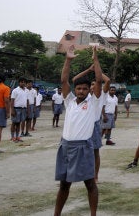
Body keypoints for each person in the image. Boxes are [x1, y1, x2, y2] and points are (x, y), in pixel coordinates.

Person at [54, 45, 103, 216]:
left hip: (83, 147)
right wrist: (67, 60)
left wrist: (95, 57)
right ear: (75, 90)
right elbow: (64, 80)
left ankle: (93, 214)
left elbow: (99, 79)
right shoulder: (69, 101)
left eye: (84, 88)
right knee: (64, 184)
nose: (81, 91)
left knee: (90, 184)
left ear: (89, 89)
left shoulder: (93, 103)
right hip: (65, 146)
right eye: (78, 89)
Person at [10, 78, 29, 142]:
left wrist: (27, 109)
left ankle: (17, 136)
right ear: (19, 83)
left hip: (23, 109)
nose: (23, 83)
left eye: (24, 82)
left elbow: (27, 100)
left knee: (19, 123)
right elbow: (12, 101)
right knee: (14, 123)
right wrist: (12, 110)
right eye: (21, 82)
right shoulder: (15, 90)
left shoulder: (26, 90)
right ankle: (12, 137)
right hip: (16, 109)